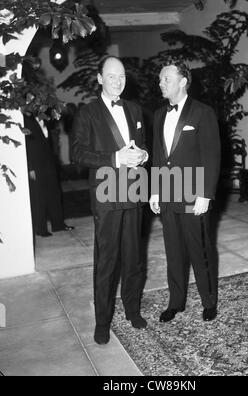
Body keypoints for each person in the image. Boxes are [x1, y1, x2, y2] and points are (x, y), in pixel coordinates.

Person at [72, 56, 149, 345]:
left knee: (133, 258)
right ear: (100, 78)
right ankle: (102, 322)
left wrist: (143, 155)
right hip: (105, 195)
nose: (118, 81)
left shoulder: (135, 109)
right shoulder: (87, 113)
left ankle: (132, 310)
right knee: (106, 262)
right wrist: (115, 158)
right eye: (112, 76)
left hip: (133, 192)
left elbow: (141, 147)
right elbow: (77, 154)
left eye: (122, 77)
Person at [149, 60, 221, 323]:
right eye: (159, 79)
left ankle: (209, 301)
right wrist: (155, 191)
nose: (160, 83)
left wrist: (205, 194)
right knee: (173, 251)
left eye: (165, 79)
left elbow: (211, 155)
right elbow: (159, 155)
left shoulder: (203, 112)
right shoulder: (159, 114)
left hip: (193, 193)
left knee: (199, 248)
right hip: (168, 192)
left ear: (182, 81)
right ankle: (176, 302)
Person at [25, 115, 74, 238]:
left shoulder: (43, 119)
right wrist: (30, 167)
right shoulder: (26, 120)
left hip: (48, 161)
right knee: (39, 197)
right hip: (36, 164)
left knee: (55, 193)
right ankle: (40, 229)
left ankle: (58, 225)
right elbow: (27, 145)